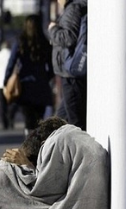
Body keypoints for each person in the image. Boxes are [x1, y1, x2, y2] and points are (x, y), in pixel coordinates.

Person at [4, 15, 55, 138]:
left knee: (28, 120)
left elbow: (11, 62)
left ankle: (29, 145)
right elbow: (52, 66)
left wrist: (6, 80)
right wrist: (46, 78)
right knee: (39, 121)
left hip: (25, 86)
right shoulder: (45, 43)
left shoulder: (20, 42)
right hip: (41, 86)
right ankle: (38, 147)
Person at [48, 0, 87, 130]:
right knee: (58, 123)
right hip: (70, 74)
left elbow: (68, 38)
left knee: (75, 124)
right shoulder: (74, 7)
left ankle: (79, 150)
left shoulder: (73, 8)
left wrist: (53, 29)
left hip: (71, 75)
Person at [0, 41, 18, 130]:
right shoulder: (11, 54)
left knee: (2, 103)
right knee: (12, 101)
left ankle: (4, 122)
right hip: (11, 82)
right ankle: (10, 117)